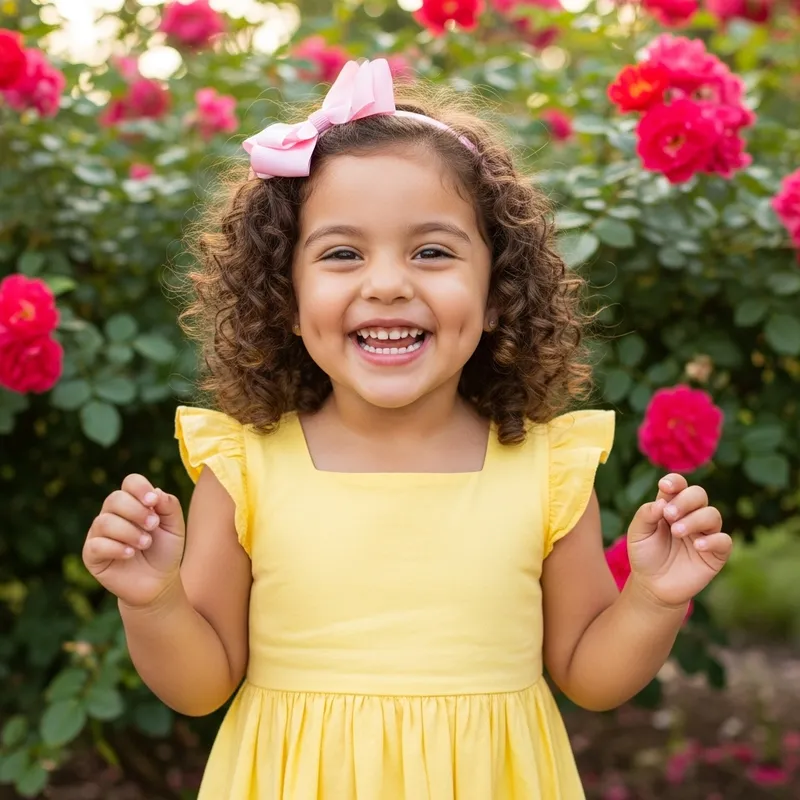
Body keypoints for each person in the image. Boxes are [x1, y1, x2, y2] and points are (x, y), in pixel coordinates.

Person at [82, 59, 732, 799]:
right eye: (342, 253)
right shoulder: (245, 471)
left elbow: (590, 677)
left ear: (497, 292)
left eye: (431, 251)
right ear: (285, 296)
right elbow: (200, 688)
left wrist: (653, 599)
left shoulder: (544, 474)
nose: (388, 283)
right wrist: (152, 600)